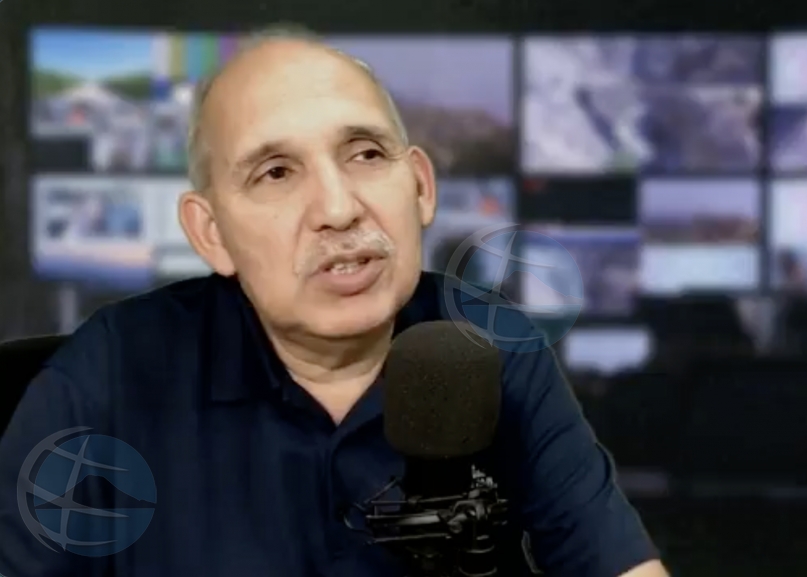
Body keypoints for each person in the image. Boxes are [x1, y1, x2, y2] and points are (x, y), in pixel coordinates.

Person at [0, 28, 667, 577]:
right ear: (211, 233)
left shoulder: (489, 344)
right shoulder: (111, 372)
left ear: (421, 187)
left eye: (366, 154)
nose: (339, 208)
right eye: (276, 172)